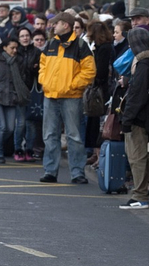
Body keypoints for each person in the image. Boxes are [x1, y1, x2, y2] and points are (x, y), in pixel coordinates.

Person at [38, 12, 96, 184]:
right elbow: (42, 65)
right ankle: (50, 171)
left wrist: (72, 85)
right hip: (51, 94)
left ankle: (77, 172)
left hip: (71, 96)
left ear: (65, 25)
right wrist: (45, 81)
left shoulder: (80, 45)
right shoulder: (51, 43)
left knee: (74, 136)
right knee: (50, 135)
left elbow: (89, 71)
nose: (53, 26)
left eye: (56, 23)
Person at [119, 28, 149, 209]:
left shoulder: (142, 64)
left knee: (136, 156)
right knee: (144, 154)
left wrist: (126, 119)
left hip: (137, 117)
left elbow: (136, 96)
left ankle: (140, 196)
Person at [84, 21, 116, 167]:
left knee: (98, 123)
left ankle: (98, 155)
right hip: (102, 89)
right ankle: (96, 154)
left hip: (101, 90)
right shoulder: (104, 47)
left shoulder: (103, 49)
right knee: (96, 122)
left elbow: (101, 71)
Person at [12, 27, 40, 162]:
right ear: (18, 38)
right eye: (22, 36)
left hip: (32, 91)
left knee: (31, 124)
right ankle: (18, 149)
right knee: (21, 123)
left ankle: (29, 150)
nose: (25, 38)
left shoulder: (36, 52)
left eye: (27, 35)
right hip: (18, 92)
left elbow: (39, 70)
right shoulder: (15, 52)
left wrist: (35, 69)